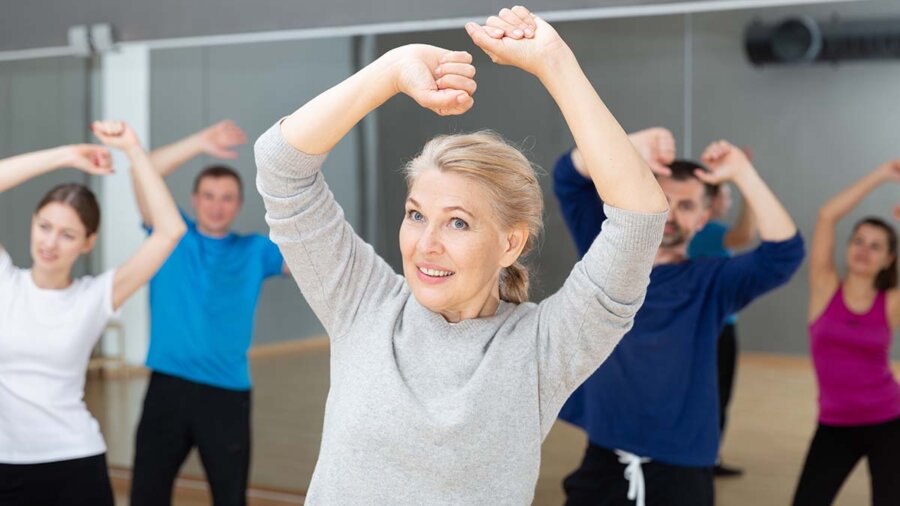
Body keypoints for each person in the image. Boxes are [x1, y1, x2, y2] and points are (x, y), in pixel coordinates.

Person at [254, 6, 668, 503]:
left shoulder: (544, 348)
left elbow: (638, 218)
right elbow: (282, 168)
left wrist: (554, 62)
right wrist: (391, 69)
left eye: (457, 222)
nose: (426, 243)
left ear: (509, 243)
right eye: (415, 214)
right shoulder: (362, 304)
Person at [556, 137, 804, 506]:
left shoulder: (713, 282)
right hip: (605, 454)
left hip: (681, 465)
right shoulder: (606, 256)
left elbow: (784, 253)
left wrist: (742, 172)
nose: (670, 214)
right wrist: (628, 148)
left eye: (686, 205)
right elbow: (568, 178)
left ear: (704, 217)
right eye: (663, 200)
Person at [0, 121, 186, 506]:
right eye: (45, 226)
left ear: (88, 243)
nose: (50, 242)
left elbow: (170, 231)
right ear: (32, 224)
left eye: (67, 234)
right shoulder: (6, 282)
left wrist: (134, 150)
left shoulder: (96, 296)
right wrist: (66, 155)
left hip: (74, 461)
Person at [129, 120, 288, 506]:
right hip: (166, 388)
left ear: (239, 204)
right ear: (194, 199)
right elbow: (143, 170)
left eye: (227, 197)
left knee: (229, 498)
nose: (217, 205)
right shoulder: (171, 234)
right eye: (209, 196)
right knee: (147, 494)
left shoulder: (256, 251)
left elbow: (317, 257)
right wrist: (200, 142)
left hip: (226, 395)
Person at [792, 160, 900, 506]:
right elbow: (826, 216)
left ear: (888, 259)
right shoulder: (825, 288)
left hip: (889, 420)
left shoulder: (890, 302)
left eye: (875, 246)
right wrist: (882, 175)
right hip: (835, 424)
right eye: (859, 240)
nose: (863, 250)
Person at [688, 163, 758, 477]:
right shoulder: (710, 231)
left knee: (709, 393)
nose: (727, 202)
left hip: (704, 325)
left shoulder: (702, 232)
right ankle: (705, 459)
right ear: (713, 200)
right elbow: (744, 235)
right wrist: (749, 186)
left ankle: (704, 456)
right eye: (725, 195)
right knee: (716, 394)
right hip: (716, 328)